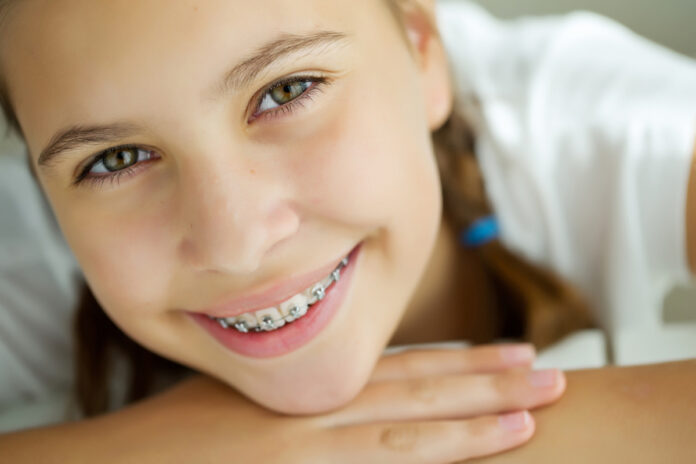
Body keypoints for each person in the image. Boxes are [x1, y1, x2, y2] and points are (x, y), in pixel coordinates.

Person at [1, 0, 695, 462]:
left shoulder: (585, 120)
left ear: (423, 49)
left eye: (285, 91)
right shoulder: (28, 256)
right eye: (116, 159)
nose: (236, 244)